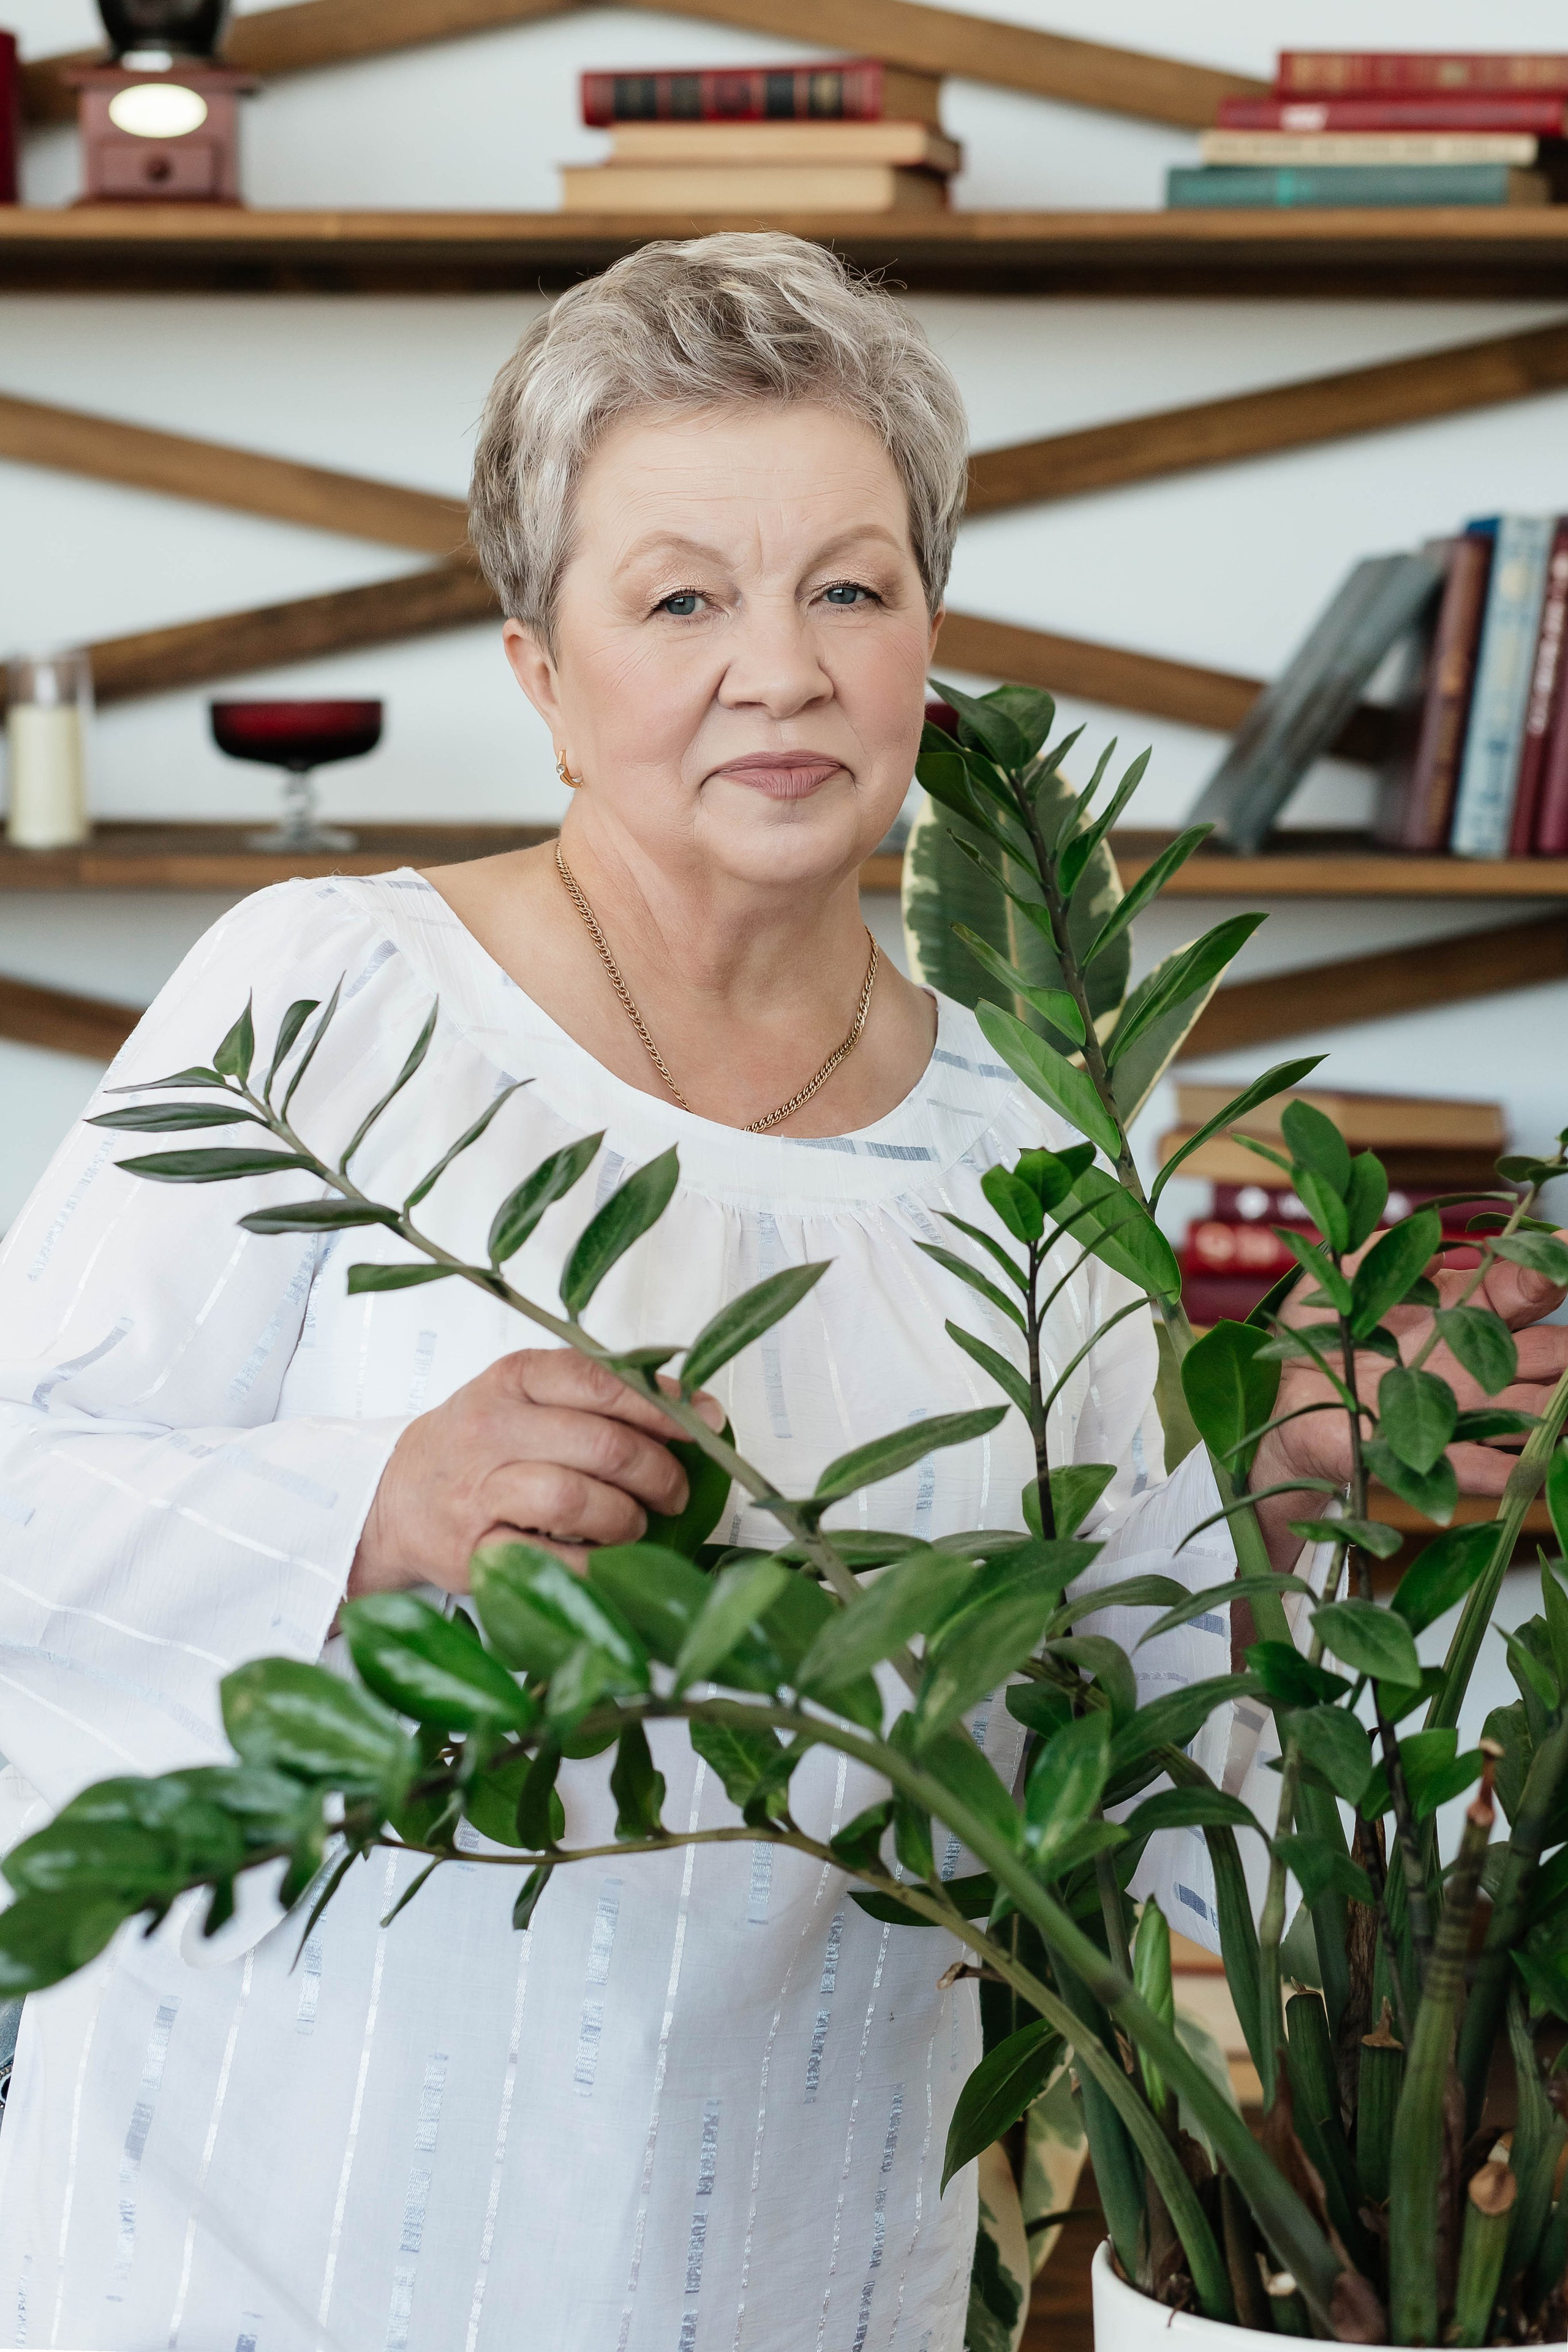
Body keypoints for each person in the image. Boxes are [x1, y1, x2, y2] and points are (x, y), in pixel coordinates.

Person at [0, 232, 1561, 2352]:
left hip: (804, 2265)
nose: (784, 668)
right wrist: (365, 1511)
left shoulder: (1041, 1125)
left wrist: (1291, 1471)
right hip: (276, 2243)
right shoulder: (329, 996)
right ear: (537, 662)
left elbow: (1117, 1727)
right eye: (678, 598)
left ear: (930, 632)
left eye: (851, 586)